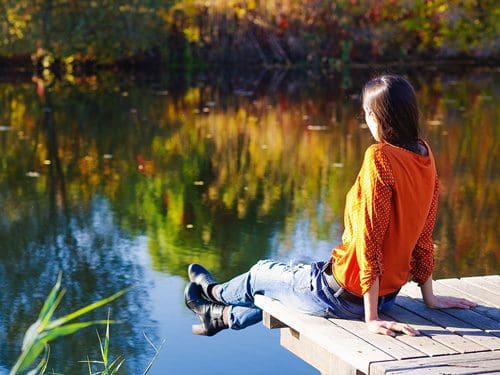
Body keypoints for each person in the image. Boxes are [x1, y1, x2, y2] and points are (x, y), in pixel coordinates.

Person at [184, 74, 477, 337]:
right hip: (386, 293)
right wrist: (430, 298)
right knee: (282, 290)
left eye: (366, 114)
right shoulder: (424, 156)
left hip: (344, 296)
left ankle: (212, 292)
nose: (365, 120)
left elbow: (369, 240)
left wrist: (371, 318)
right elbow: (424, 234)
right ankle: (221, 318)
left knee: (260, 274)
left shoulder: (380, 158)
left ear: (378, 118)